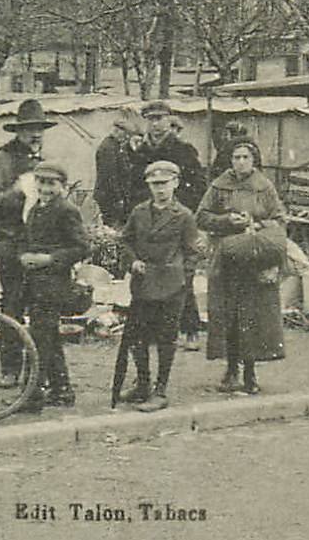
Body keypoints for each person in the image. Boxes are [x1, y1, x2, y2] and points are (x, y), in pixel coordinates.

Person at [0, 99, 56, 389]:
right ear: (19, 131)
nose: (35, 135)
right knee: (12, 308)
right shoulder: (2, 159)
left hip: (40, 248)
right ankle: (10, 369)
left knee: (41, 310)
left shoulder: (44, 159)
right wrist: (17, 193)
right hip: (11, 247)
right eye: (30, 129)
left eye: (40, 129)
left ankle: (37, 371)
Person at [197, 139, 287, 394]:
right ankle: (230, 369)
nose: (240, 162)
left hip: (254, 261)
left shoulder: (264, 187)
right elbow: (201, 216)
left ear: (254, 160)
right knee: (228, 314)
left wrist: (256, 225)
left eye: (245, 157)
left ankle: (250, 372)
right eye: (236, 157)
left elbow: (280, 219)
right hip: (226, 259)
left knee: (253, 316)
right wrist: (227, 220)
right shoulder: (219, 186)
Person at [118, 160, 204, 411]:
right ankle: (142, 384)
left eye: (164, 184)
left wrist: (180, 276)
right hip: (143, 283)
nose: (160, 190)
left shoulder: (184, 216)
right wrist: (132, 261)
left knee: (167, 338)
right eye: (155, 185)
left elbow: (194, 252)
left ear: (175, 183)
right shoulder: (139, 212)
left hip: (171, 287)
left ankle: (160, 390)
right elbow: (125, 241)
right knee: (138, 337)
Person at [18, 161, 91, 411]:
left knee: (38, 340)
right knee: (48, 337)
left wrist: (48, 259)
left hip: (53, 286)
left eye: (51, 183)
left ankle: (31, 397)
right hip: (36, 284)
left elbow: (82, 247)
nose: (45, 188)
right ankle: (62, 391)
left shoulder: (66, 210)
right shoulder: (36, 208)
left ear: (62, 186)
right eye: (41, 182)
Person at [135, 100, 208, 349]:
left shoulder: (183, 150)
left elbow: (198, 186)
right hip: (150, 219)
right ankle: (158, 331)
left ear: (169, 120)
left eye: (160, 118)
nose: (156, 124)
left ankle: (190, 329)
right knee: (151, 275)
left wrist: (183, 214)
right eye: (151, 119)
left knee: (180, 275)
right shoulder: (139, 152)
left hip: (177, 220)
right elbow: (133, 187)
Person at [93, 109, 145, 230]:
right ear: (117, 131)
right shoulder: (108, 148)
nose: (126, 137)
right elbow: (110, 176)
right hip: (109, 196)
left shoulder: (115, 146)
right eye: (125, 134)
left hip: (112, 195)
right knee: (113, 226)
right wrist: (118, 198)